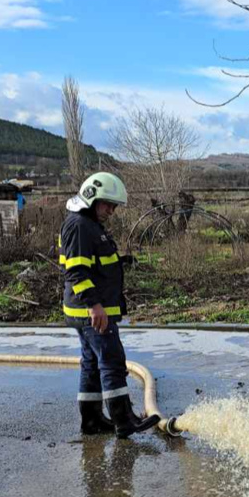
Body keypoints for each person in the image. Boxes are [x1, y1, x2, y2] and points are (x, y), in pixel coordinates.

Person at [59, 172, 159, 438]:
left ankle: (92, 421)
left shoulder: (87, 224)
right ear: (92, 198)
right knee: (112, 363)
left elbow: (93, 263)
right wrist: (94, 305)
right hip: (91, 311)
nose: (111, 211)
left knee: (91, 364)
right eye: (108, 204)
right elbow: (76, 271)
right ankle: (124, 420)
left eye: (114, 206)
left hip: (87, 310)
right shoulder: (80, 225)